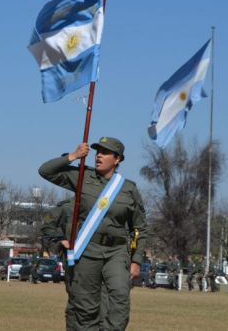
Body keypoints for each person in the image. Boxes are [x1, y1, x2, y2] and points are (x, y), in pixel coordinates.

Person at [38, 137, 148, 331]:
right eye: (97, 151)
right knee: (86, 306)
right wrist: (73, 156)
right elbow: (45, 171)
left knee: (120, 297)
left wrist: (136, 260)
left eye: (105, 153)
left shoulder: (128, 188)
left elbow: (140, 228)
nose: (98, 156)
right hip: (87, 250)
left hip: (117, 252)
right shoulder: (81, 177)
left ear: (117, 159)